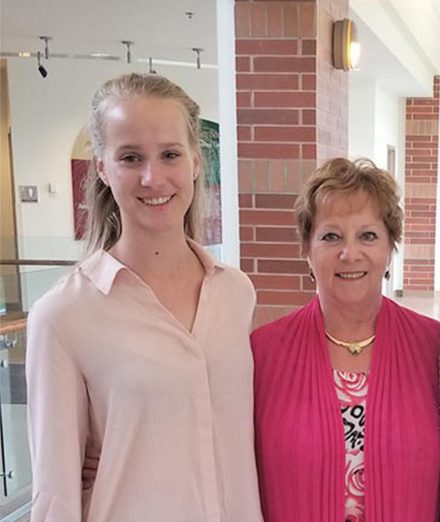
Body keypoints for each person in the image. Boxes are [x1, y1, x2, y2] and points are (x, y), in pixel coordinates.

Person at [26, 73, 263, 521]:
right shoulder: (63, 314)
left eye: (170, 154)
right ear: (102, 168)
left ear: (194, 161)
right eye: (131, 157)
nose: (153, 177)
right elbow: (55, 495)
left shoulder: (235, 292)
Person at [251, 158, 440, 522]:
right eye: (331, 236)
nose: (349, 253)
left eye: (368, 235)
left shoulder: (435, 349)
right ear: (307, 250)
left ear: (390, 248)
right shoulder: (261, 355)